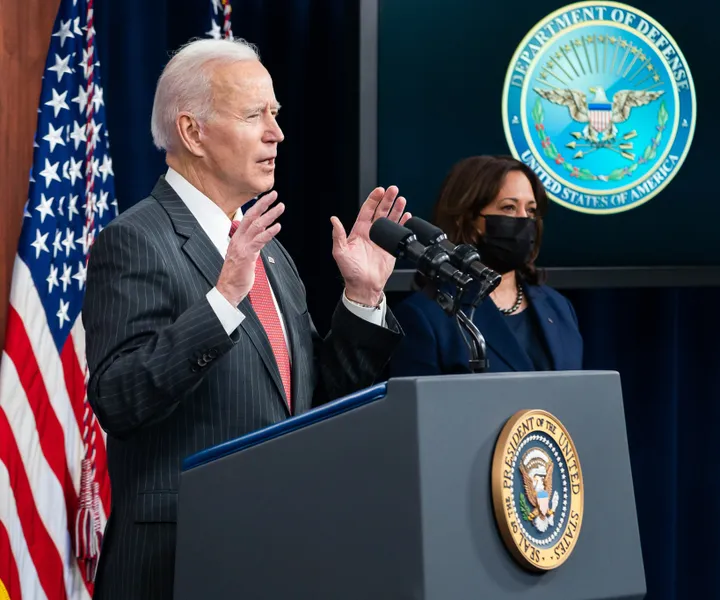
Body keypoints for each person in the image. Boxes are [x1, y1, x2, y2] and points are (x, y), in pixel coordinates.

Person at [83, 38, 409, 599]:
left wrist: (361, 297)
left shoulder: (268, 253)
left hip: (278, 552)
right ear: (193, 133)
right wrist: (221, 301)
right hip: (179, 563)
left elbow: (317, 403)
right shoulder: (135, 240)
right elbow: (118, 398)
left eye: (276, 115)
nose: (276, 133)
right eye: (254, 115)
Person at [388, 155, 582, 376]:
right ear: (469, 221)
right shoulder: (425, 316)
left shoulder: (559, 307)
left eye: (530, 210)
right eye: (509, 207)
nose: (524, 220)